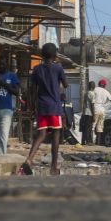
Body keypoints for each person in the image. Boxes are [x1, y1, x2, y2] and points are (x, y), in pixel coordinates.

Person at [23, 42, 68, 175]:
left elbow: (32, 89)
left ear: (42, 55)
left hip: (41, 106)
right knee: (55, 135)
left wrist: (31, 106)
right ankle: (53, 167)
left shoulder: (37, 69)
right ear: (55, 55)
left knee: (41, 134)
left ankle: (29, 159)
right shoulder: (58, 67)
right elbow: (65, 84)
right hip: (54, 106)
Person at [92, 78, 111, 142]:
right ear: (104, 85)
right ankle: (98, 142)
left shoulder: (94, 89)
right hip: (102, 110)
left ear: (99, 84)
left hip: (95, 108)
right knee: (100, 126)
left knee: (93, 126)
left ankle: (91, 141)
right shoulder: (106, 91)